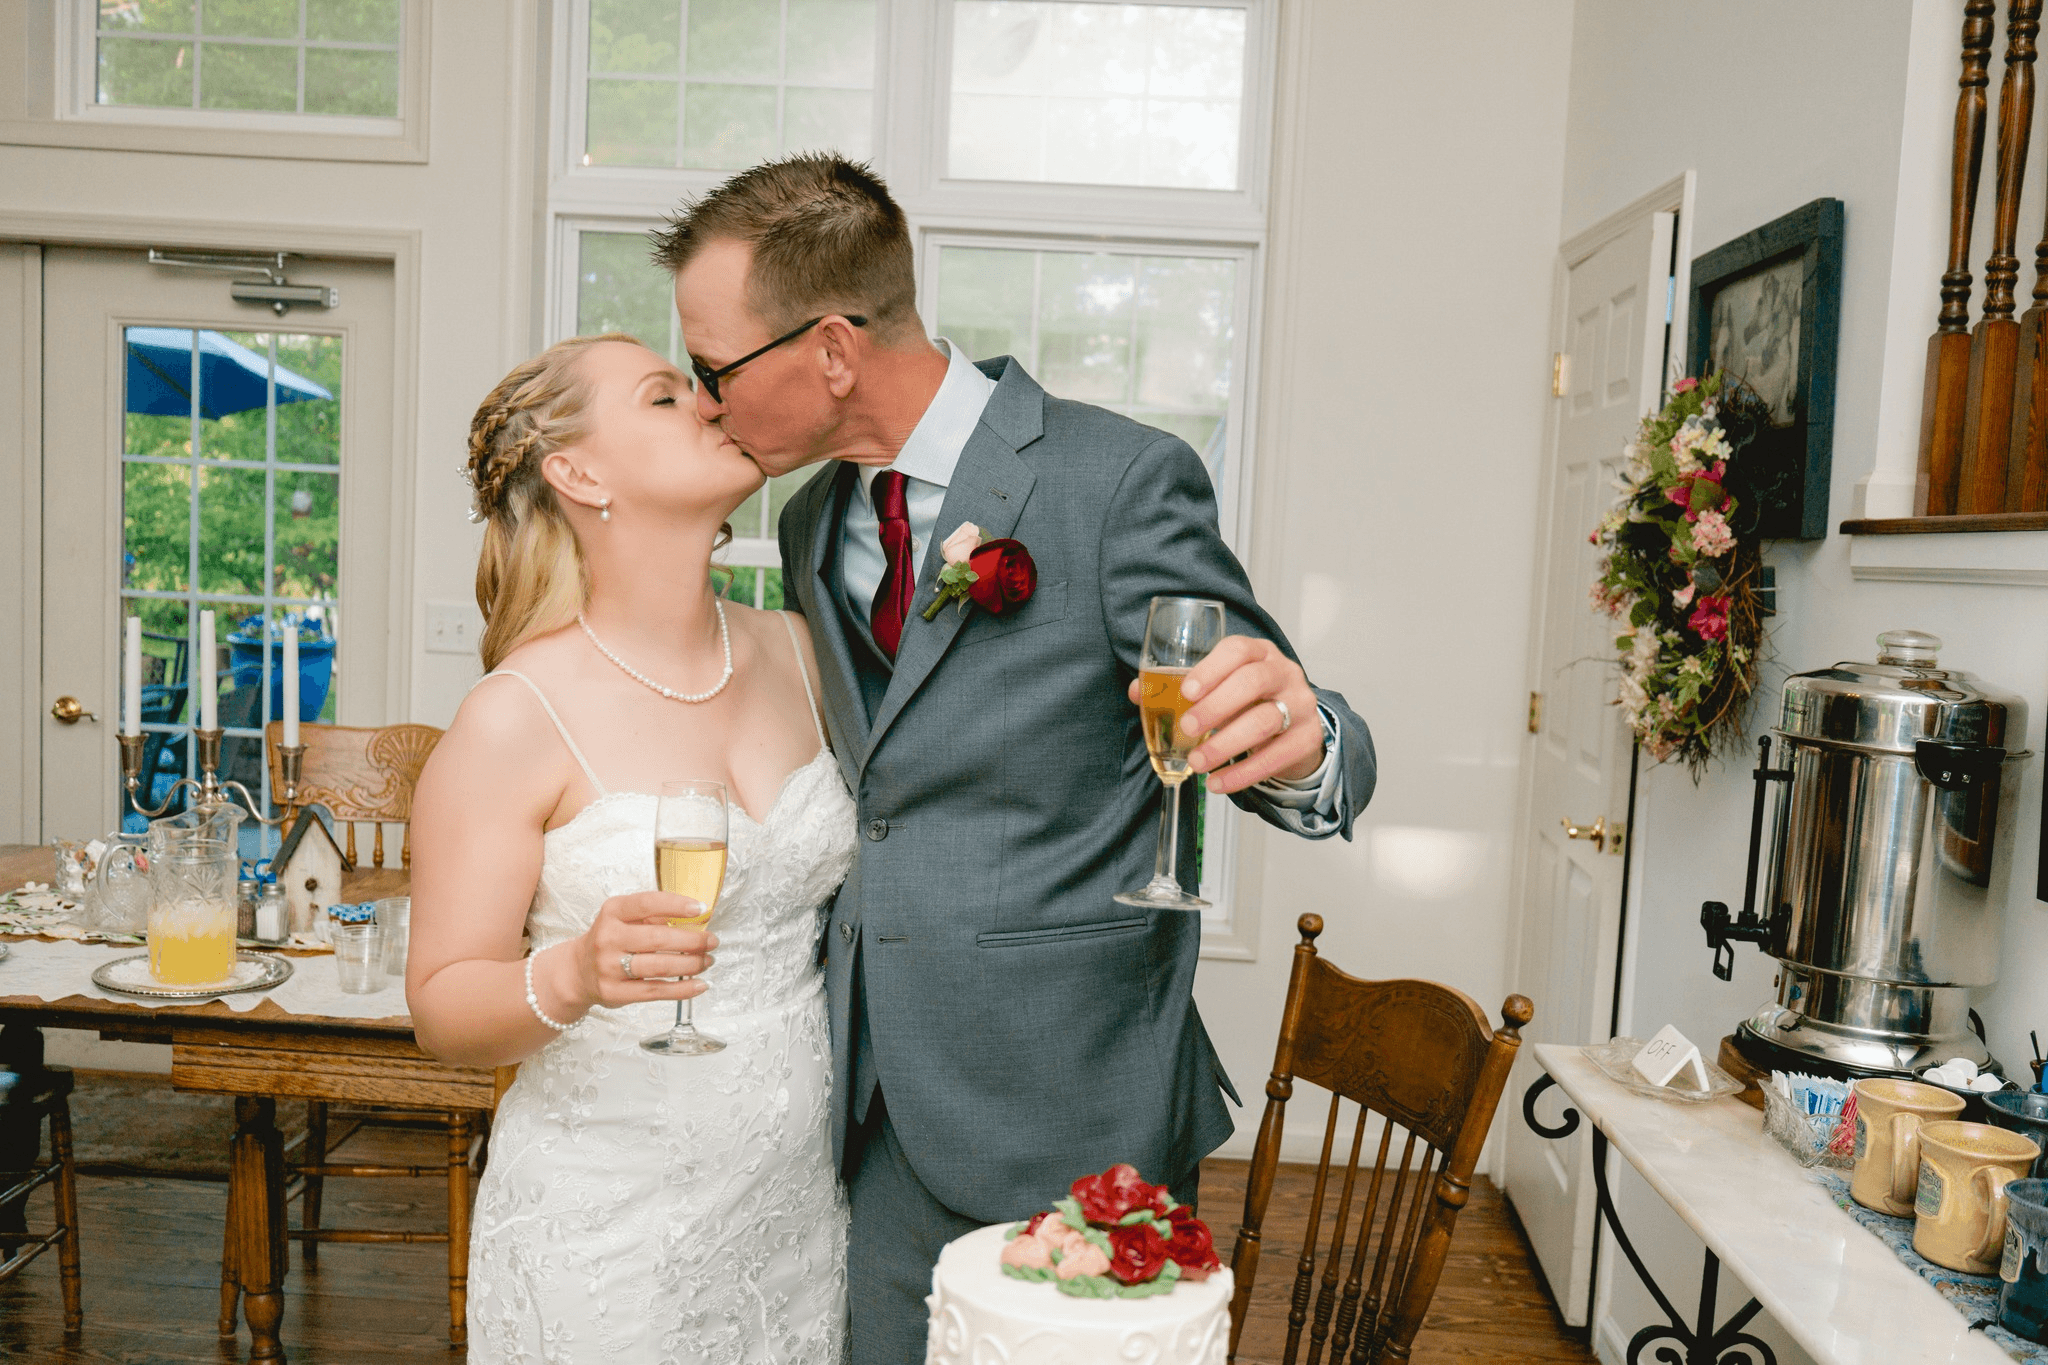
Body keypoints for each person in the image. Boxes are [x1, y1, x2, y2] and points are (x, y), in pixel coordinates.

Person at [658, 154, 1377, 1364]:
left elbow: (1273, 708)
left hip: (1069, 1102)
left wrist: (1308, 745)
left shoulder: (1116, 482)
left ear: (832, 350)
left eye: (712, 369)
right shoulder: (808, 519)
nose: (704, 400)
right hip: (870, 1093)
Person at [405, 332, 857, 1362]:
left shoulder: (798, 649)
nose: (709, 404)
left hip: (792, 1213)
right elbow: (440, 1005)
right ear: (578, 472)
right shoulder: (515, 716)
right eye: (663, 396)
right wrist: (572, 971)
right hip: (607, 1237)